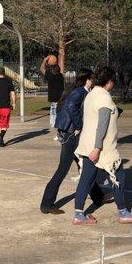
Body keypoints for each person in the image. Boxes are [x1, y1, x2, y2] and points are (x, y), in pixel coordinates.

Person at [73, 67, 132, 225]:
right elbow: (102, 125)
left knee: (86, 180)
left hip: (87, 144)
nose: (113, 84)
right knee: (119, 178)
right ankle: (123, 212)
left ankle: (78, 214)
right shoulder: (104, 97)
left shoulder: (90, 94)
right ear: (109, 81)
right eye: (113, 81)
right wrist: (97, 148)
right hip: (102, 148)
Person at [40, 69, 94, 214]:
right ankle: (46, 204)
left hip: (70, 134)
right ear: (87, 79)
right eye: (92, 79)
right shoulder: (79, 92)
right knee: (63, 169)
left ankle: (98, 195)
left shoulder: (78, 91)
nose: (93, 81)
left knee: (88, 165)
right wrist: (78, 125)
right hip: (72, 135)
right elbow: (71, 107)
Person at [40, 55, 64, 134]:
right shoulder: (61, 76)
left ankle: (58, 133)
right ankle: (59, 131)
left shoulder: (51, 76)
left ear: (52, 70)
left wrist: (44, 60)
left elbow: (42, 69)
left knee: (54, 117)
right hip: (62, 99)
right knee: (60, 115)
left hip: (55, 100)